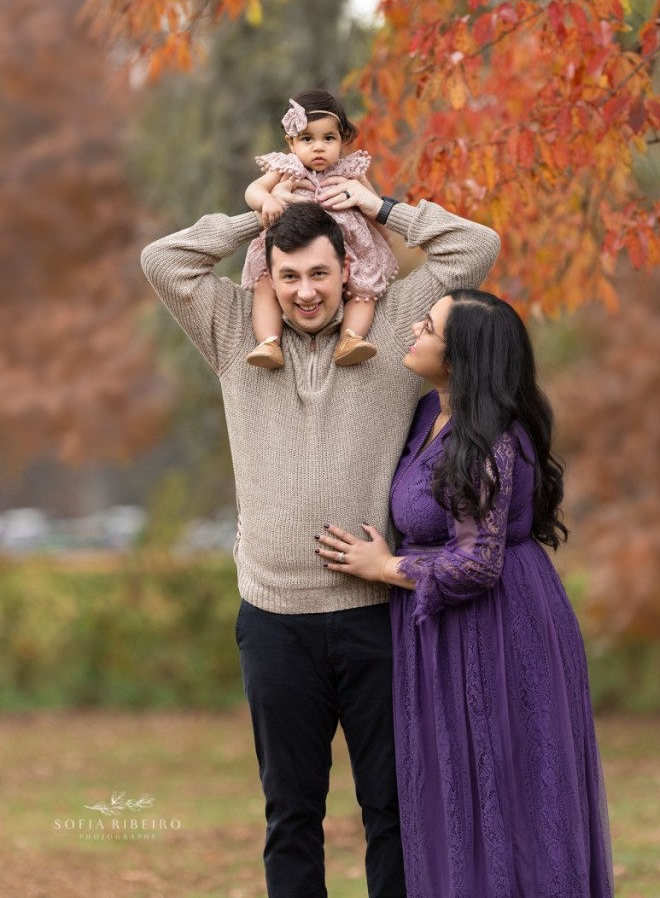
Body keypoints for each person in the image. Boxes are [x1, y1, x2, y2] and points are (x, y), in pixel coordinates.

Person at [141, 179, 500, 898]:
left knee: (392, 811)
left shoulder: (396, 326)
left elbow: (476, 246)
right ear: (268, 280)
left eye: (319, 273)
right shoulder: (236, 332)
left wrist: (376, 207)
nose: (306, 291)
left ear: (347, 271)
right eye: (289, 276)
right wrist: (257, 217)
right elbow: (162, 260)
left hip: (377, 616)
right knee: (291, 815)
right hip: (274, 621)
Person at [317, 290, 614, 898]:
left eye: (426, 327)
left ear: (460, 358)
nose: (414, 331)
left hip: (499, 629)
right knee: (456, 790)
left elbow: (478, 562)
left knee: (511, 790)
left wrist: (384, 566)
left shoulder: (492, 437)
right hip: (443, 633)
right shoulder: (431, 412)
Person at [242, 89, 398, 369]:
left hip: (350, 248)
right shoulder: (286, 170)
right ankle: (268, 341)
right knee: (266, 283)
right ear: (291, 143)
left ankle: (351, 338)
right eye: (307, 139)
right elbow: (253, 190)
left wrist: (383, 235)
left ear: (342, 140)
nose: (318, 147)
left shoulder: (350, 172)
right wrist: (267, 201)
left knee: (364, 288)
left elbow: (373, 205)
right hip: (291, 245)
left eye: (328, 138)